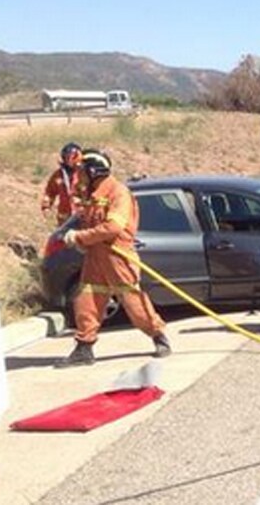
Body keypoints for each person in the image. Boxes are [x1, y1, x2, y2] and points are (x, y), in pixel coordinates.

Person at [56, 149, 170, 367]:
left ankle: (158, 336)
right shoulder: (92, 194)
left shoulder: (118, 192)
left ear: (93, 170)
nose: (79, 175)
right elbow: (89, 222)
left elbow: (114, 226)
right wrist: (82, 242)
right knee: (86, 300)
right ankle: (84, 348)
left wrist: (80, 237)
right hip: (95, 257)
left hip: (118, 256)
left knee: (133, 301)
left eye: (82, 171)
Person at [41, 142, 83, 225]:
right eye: (67, 156)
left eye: (73, 156)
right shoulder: (59, 175)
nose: (70, 159)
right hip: (64, 219)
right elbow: (50, 192)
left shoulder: (84, 174)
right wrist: (46, 207)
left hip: (82, 216)